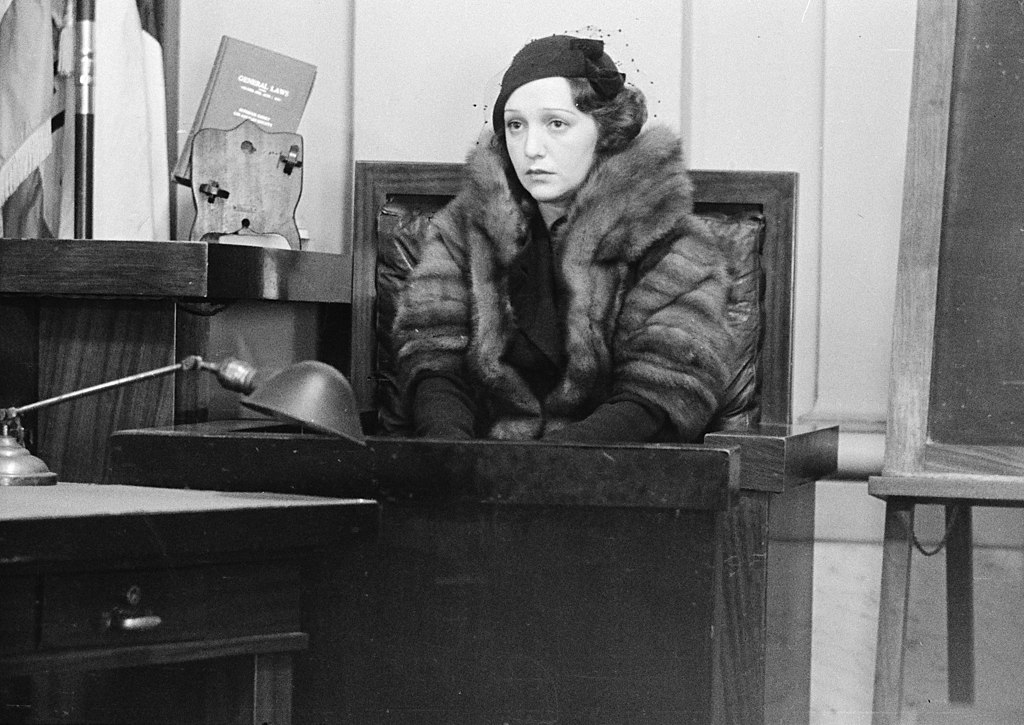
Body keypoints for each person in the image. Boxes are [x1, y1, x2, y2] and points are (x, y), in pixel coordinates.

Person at [392, 34, 734, 443]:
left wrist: (552, 464)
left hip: (612, 478)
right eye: (515, 126)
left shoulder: (673, 244)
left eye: (557, 124)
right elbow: (434, 360)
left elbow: (663, 386)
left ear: (607, 131)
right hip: (480, 469)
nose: (531, 148)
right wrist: (452, 458)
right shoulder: (466, 232)